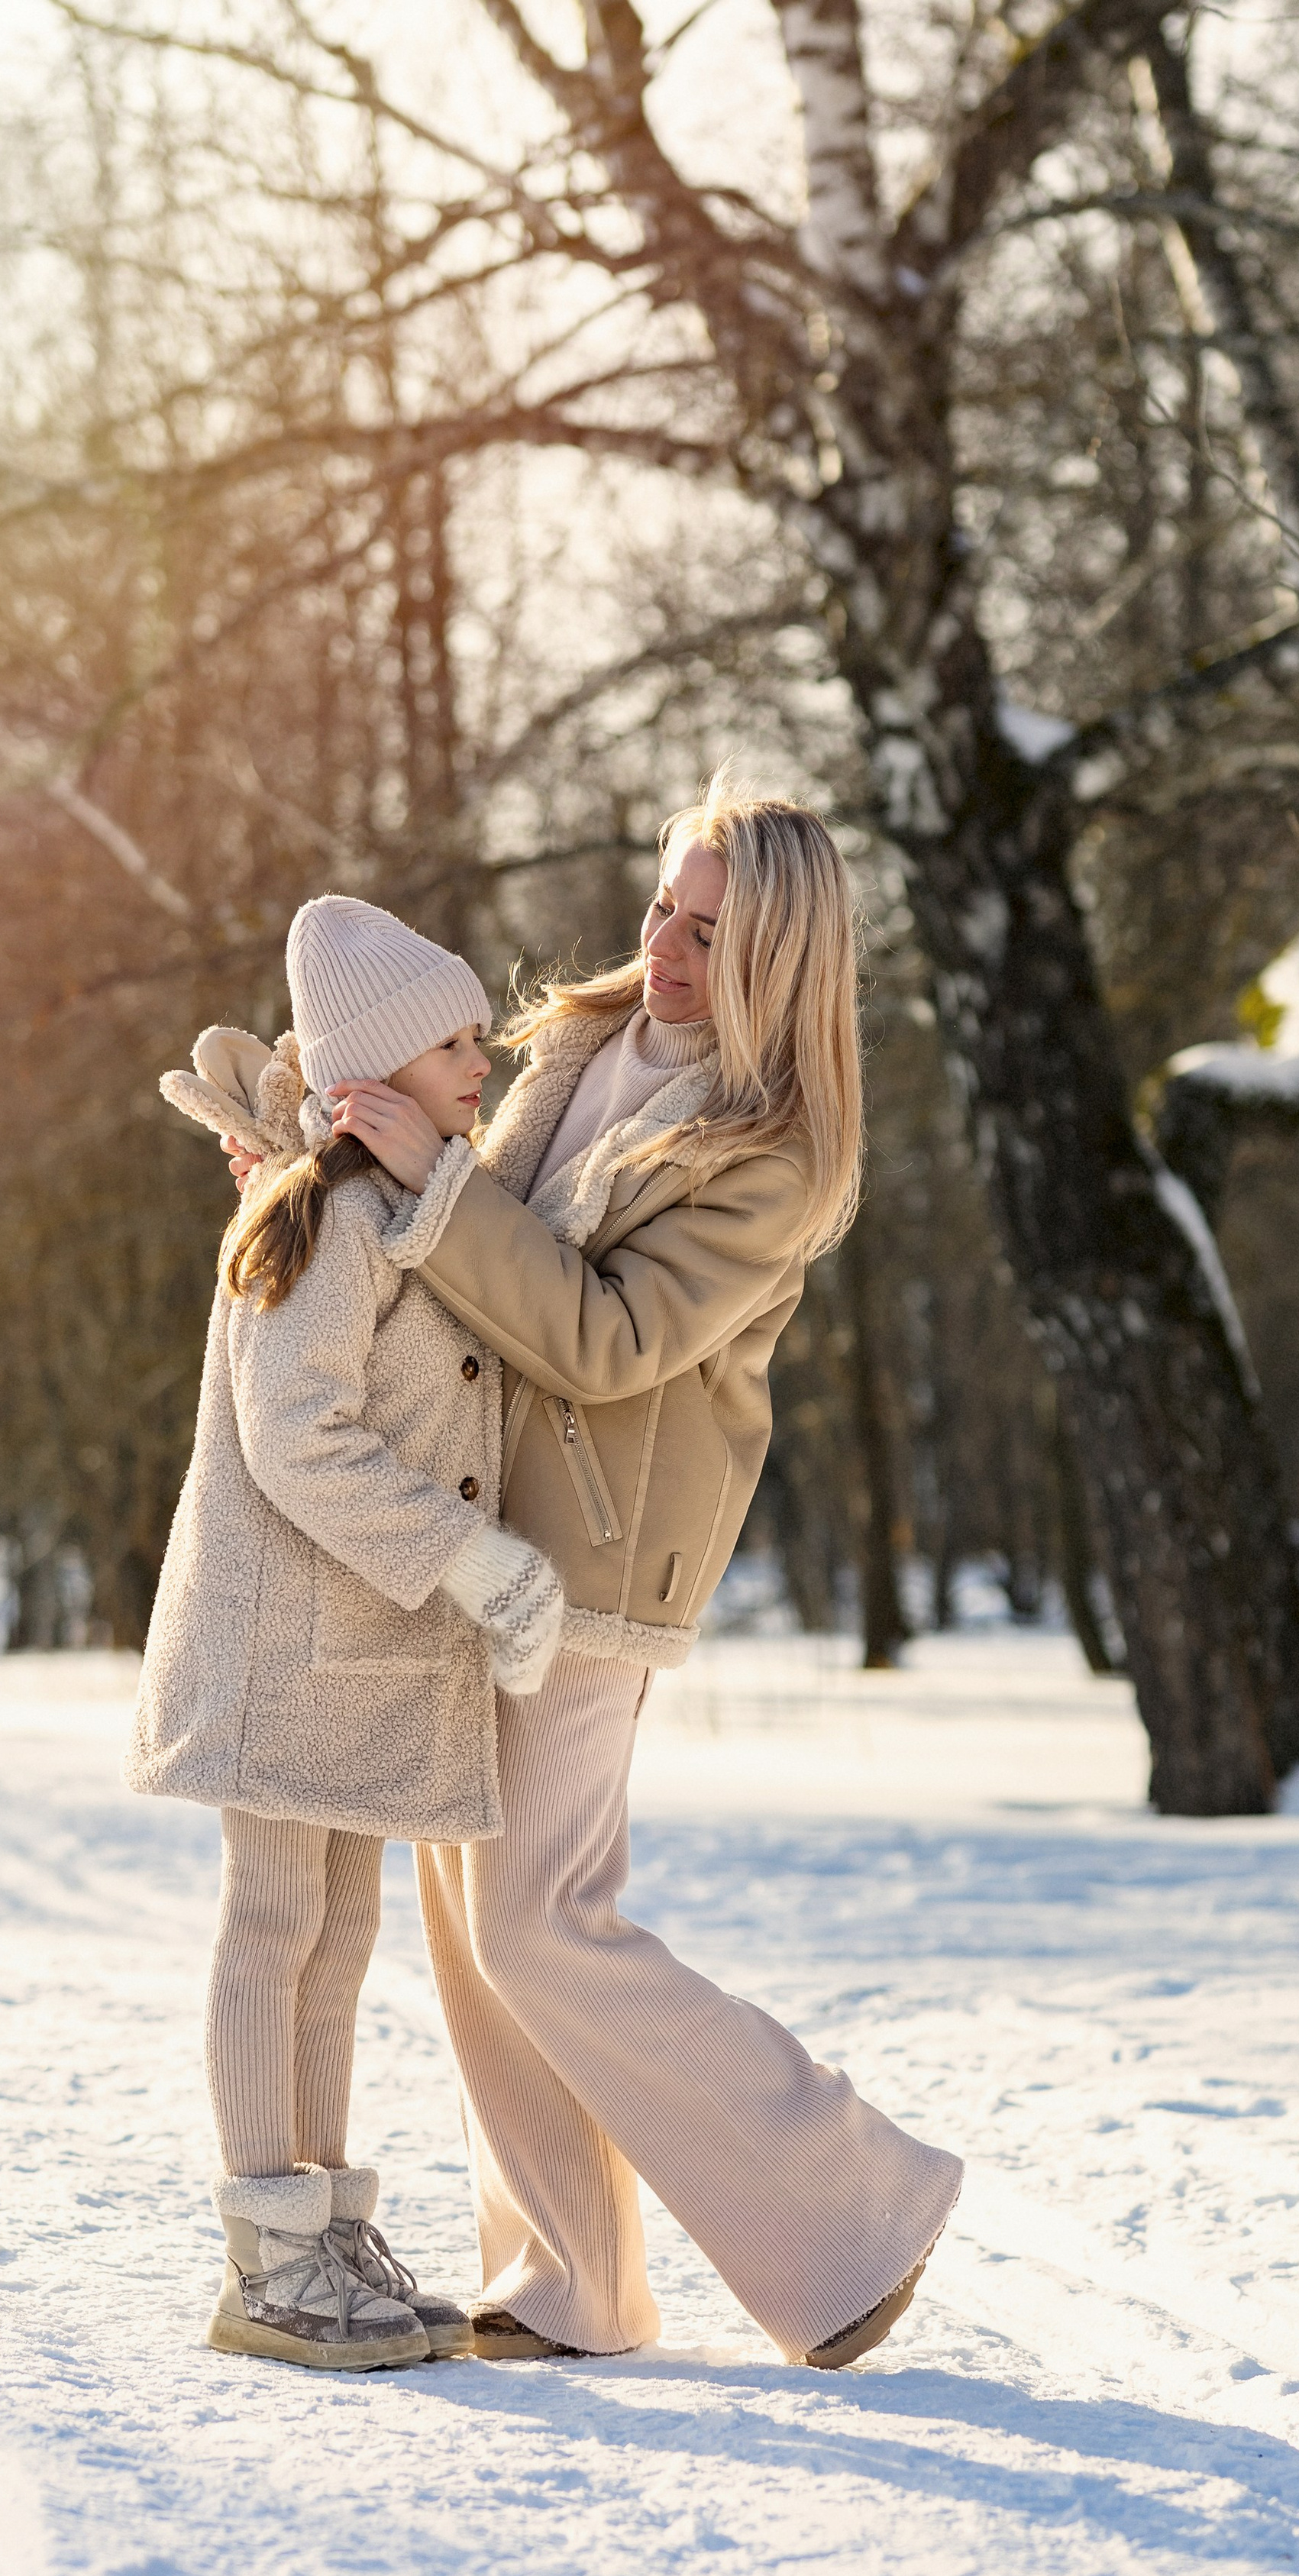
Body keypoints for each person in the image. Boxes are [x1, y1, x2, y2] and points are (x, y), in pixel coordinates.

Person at [304, 774, 964, 2368]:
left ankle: (854, 2201)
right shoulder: (574, 1043)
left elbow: (609, 1343)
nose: (665, 947)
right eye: (664, 908)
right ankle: (564, 2282)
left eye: (708, 932)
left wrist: (437, 1188)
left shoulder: (777, 1159)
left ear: (782, 960)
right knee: (471, 1925)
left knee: (540, 1917)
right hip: (470, 1527)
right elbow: (450, 1262)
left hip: (594, 1562)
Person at [129, 895, 565, 2372]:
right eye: (453, 1042)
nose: (482, 1059)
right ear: (376, 1068)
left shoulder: (410, 1210)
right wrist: (470, 1562)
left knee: (345, 1926)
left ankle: (324, 2226)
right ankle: (267, 2249)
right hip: (278, 1643)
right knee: (273, 1920)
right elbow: (295, 1436)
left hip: (362, 1651)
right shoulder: (317, 1225)